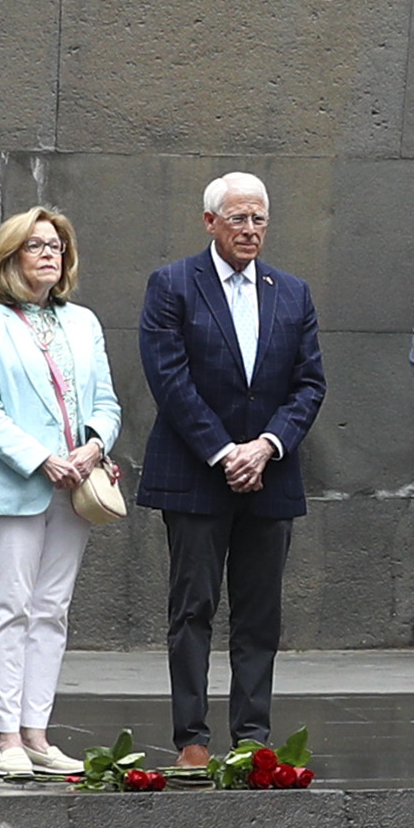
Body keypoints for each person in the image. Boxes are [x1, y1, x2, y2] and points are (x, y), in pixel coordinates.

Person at [137, 173, 327, 773]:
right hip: (196, 475)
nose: (250, 230)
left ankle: (252, 736)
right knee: (192, 608)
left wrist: (266, 446)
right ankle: (191, 737)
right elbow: (169, 379)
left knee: (259, 613)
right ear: (210, 222)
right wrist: (225, 452)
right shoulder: (172, 285)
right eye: (239, 219)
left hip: (270, 474)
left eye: (260, 220)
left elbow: (309, 383)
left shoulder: (292, 292)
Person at [0, 209, 124, 780]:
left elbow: (106, 402)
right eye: (35, 245)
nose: (48, 253)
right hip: (12, 486)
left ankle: (37, 734)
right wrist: (41, 458)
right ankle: (6, 739)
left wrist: (94, 446)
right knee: (10, 607)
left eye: (55, 245)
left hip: (76, 486)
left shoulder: (83, 322)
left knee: (52, 610)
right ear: (11, 258)